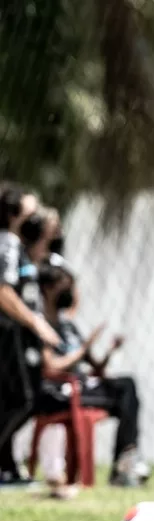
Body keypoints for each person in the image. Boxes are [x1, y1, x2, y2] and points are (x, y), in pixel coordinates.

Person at [35, 256, 150, 486]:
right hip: (61, 390)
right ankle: (125, 461)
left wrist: (109, 351)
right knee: (125, 391)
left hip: (83, 384)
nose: (70, 291)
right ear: (47, 289)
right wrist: (84, 349)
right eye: (65, 285)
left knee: (127, 385)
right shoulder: (41, 324)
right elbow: (50, 366)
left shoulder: (68, 326)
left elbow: (96, 367)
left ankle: (126, 457)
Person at [0, 185, 61, 485]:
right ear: (13, 214)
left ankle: (7, 466)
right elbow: (3, 291)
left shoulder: (19, 247)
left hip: (14, 333)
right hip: (7, 333)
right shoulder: (8, 244)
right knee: (22, 399)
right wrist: (37, 324)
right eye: (31, 210)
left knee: (13, 399)